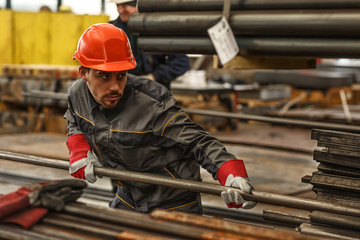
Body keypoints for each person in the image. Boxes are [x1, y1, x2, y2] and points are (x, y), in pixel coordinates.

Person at [65, 23, 256, 214]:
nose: (115, 86)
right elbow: (74, 120)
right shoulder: (77, 94)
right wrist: (79, 149)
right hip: (129, 194)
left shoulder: (151, 103)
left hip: (173, 201)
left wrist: (230, 173)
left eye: (121, 75)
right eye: (104, 77)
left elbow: (198, 141)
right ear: (84, 73)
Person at [109, 0, 190, 90]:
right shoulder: (110, 30)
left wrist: (154, 77)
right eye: (117, 6)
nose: (120, 10)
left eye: (124, 6)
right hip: (123, 91)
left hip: (155, 92)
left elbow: (181, 62)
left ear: (138, 4)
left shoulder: (159, 28)